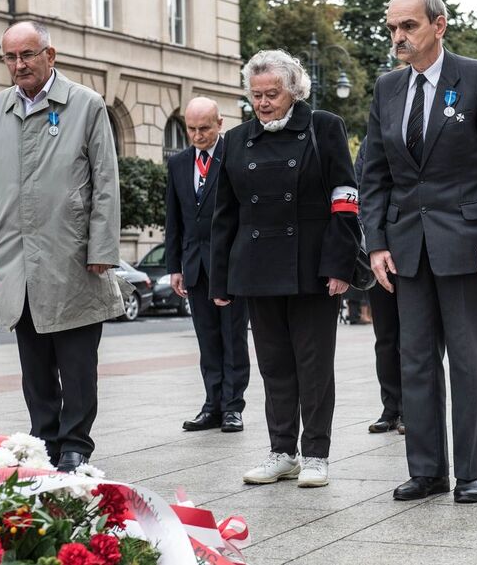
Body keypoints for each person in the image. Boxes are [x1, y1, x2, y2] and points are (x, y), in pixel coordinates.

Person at [360, 0, 477, 504]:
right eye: (392, 29)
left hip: (467, 242)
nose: (398, 38)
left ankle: (471, 471)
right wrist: (377, 243)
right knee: (415, 360)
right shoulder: (386, 89)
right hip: (406, 246)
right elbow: (374, 175)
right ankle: (427, 470)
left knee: (470, 360)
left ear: (439, 25)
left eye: (407, 26)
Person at [0, 21, 123, 472]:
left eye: (28, 55)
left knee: (76, 361)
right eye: (11, 58)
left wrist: (102, 247)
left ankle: (75, 442)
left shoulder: (86, 104)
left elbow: (106, 182)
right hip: (15, 257)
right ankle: (44, 439)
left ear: (49, 55)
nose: (19, 65)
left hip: (72, 254)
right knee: (34, 363)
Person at [209, 49, 360, 488]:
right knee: (273, 365)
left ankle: (315, 454)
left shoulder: (324, 127)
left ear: (294, 90)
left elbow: (345, 198)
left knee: (314, 365)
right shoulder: (236, 140)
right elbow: (226, 212)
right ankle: (281, 451)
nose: (263, 103)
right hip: (258, 267)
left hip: (312, 266)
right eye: (256, 95)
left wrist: (340, 264)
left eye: (272, 93)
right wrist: (221, 278)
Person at [165, 97, 250, 434]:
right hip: (195, 266)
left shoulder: (236, 157)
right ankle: (212, 405)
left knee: (233, 338)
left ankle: (233, 407)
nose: (197, 135)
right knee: (207, 340)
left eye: (204, 128)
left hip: (230, 266)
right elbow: (175, 218)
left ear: (220, 123)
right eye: (191, 129)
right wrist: (176, 266)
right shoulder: (179, 163)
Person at [354, 138, 404, 436]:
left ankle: (414, 408)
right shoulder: (370, 146)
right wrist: (372, 242)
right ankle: (391, 406)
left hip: (411, 248)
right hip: (378, 252)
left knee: (415, 337)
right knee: (385, 337)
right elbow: (360, 194)